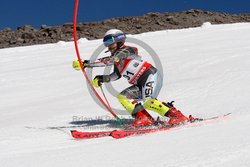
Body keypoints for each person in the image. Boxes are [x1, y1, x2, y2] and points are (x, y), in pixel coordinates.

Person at [72, 29, 191, 126]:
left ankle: (176, 116)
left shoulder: (127, 50)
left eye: (110, 42)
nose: (108, 46)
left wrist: (88, 63)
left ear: (119, 40)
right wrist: (103, 78)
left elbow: (112, 59)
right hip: (139, 82)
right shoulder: (116, 59)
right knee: (123, 97)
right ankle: (144, 118)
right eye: (106, 43)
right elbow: (116, 75)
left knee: (148, 101)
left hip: (149, 75)